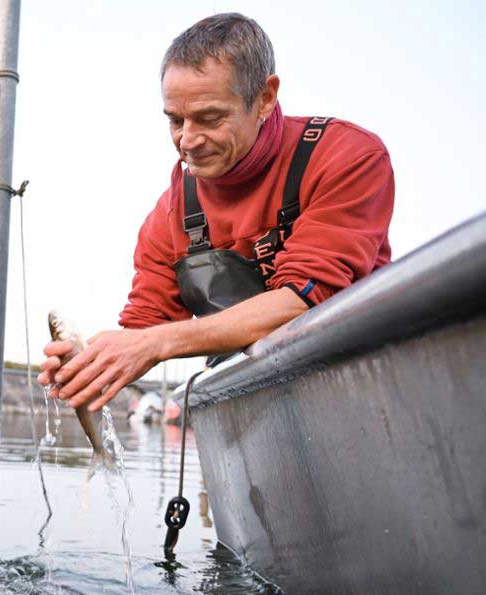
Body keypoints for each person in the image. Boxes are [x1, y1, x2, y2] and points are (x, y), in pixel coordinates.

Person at [37, 12, 393, 411]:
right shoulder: (169, 214)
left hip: (366, 392)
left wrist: (156, 344)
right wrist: (89, 364)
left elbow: (305, 299)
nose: (187, 141)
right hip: (251, 412)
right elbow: (144, 328)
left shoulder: (345, 157)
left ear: (264, 97)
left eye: (209, 118)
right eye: (175, 120)